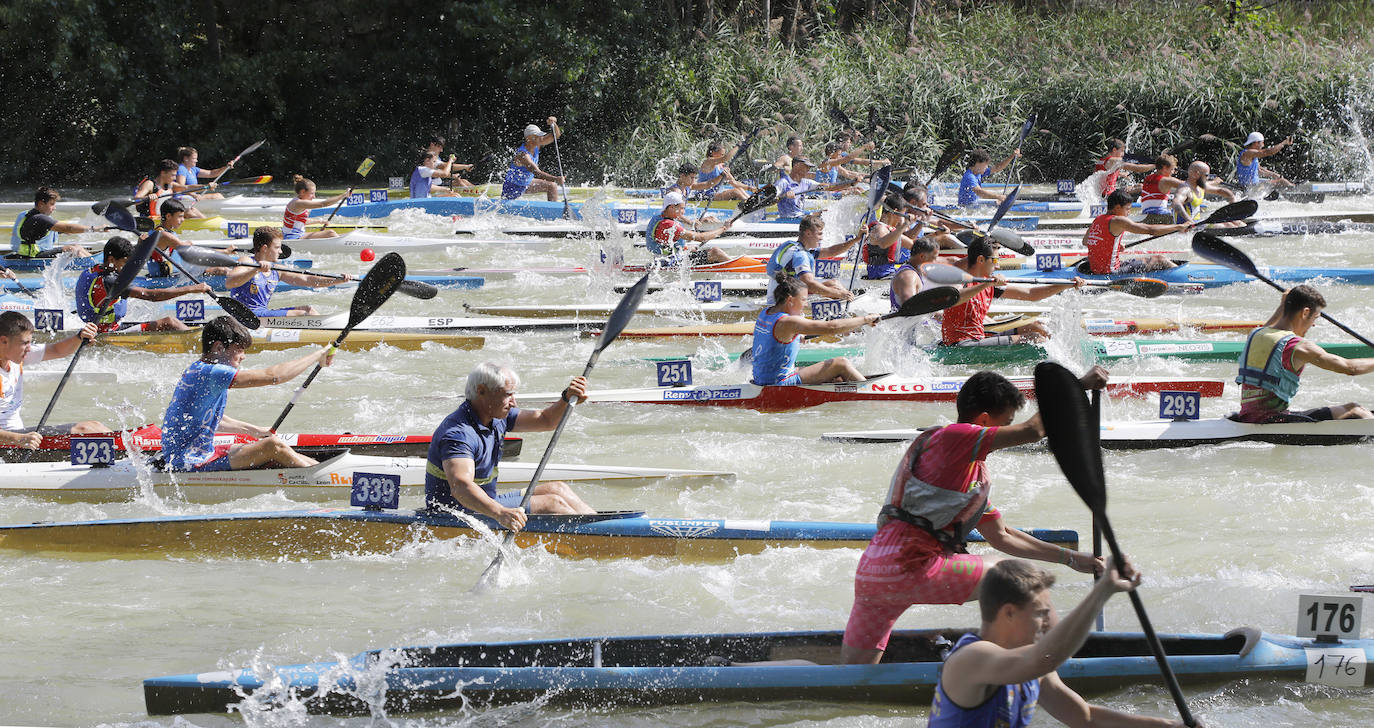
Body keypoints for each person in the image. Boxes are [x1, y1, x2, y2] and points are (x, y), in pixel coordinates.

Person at [840, 368, 1109, 665]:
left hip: (873, 571)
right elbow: (1034, 431)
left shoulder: (960, 477)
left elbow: (1002, 536)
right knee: (1019, 577)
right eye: (1005, 424)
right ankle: (1031, 667)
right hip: (912, 566)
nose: (1006, 432)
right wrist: (1076, 387)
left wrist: (1070, 559)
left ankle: (786, 675)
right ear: (982, 421)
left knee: (853, 676)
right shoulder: (956, 436)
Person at [929, 559, 1187, 728]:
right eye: (1040, 613)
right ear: (1009, 613)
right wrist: (1103, 590)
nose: (1046, 623)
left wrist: (1168, 726)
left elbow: (1086, 718)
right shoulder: (973, 658)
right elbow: (1046, 658)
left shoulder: (1033, 668)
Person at [425, 362, 595, 527]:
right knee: (552, 503)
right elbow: (461, 487)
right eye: (508, 395)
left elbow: (546, 420)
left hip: (488, 504)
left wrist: (565, 399)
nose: (514, 402)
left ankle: (606, 526)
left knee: (559, 489)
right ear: (481, 391)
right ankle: (598, 538)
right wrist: (501, 513)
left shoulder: (497, 417)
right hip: (454, 516)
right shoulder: (458, 434)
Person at [159, 315, 335, 472]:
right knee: (273, 446)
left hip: (196, 453)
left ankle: (321, 469)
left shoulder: (198, 369)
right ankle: (326, 477)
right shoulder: (212, 373)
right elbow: (274, 376)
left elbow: (213, 417)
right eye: (240, 349)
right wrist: (319, 354)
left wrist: (256, 431)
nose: (243, 356)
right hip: (187, 461)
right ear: (219, 348)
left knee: (271, 444)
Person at [1233, 285, 1374, 423]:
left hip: (1248, 417)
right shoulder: (1297, 347)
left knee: (1352, 408)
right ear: (1305, 313)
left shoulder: (1256, 334)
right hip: (1272, 421)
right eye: (1315, 317)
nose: (1313, 324)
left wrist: (1283, 305)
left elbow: (1270, 325)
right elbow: (1350, 368)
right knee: (1357, 411)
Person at [942, 238, 1084, 346]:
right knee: (1035, 339)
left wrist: (1067, 285)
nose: (998, 265)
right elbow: (955, 298)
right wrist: (985, 285)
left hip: (980, 337)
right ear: (980, 259)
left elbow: (1031, 294)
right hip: (960, 344)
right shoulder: (960, 278)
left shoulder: (989, 283)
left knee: (1037, 327)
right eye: (996, 259)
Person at [0, 311, 108, 449]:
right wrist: (18, 439)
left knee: (96, 426)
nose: (29, 349)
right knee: (86, 430)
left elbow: (57, 350)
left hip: (21, 439)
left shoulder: (15, 356)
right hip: (10, 443)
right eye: (25, 343)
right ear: (3, 341)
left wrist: (80, 337)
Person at [752, 273, 881, 385]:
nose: (806, 304)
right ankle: (870, 393)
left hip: (763, 379)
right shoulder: (788, 322)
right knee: (841, 363)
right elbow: (832, 327)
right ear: (790, 300)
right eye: (803, 300)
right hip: (779, 383)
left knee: (836, 378)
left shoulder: (765, 313)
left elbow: (771, 338)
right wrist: (865, 320)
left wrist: (796, 337)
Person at [75, 236, 210, 333]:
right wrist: (191, 288)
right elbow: (151, 296)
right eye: (124, 264)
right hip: (106, 333)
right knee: (170, 322)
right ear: (111, 260)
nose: (127, 269)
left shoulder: (93, 271)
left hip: (100, 328)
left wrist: (142, 247)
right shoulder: (110, 282)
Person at [226, 227, 353, 317]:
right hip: (245, 317)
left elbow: (309, 280)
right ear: (265, 248)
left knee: (308, 309)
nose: (281, 252)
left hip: (262, 314)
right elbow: (230, 283)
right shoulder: (247, 260)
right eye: (277, 247)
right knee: (305, 313)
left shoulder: (277, 269)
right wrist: (255, 270)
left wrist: (337, 280)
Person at [1081, 190, 1188, 275]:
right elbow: (1151, 230)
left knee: (1140, 259)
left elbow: (1085, 241)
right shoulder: (1118, 220)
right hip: (1111, 271)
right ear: (1117, 207)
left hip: (1097, 270)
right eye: (1128, 209)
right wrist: (1179, 226)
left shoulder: (1098, 219)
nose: (1129, 212)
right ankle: (1183, 276)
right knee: (1159, 259)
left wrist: (1111, 244)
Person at [765, 213, 861, 304]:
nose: (821, 238)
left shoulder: (793, 246)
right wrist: (839, 294)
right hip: (782, 302)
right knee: (834, 287)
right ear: (808, 233)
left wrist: (856, 239)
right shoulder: (801, 255)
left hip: (779, 294)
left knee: (833, 283)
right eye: (819, 234)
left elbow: (830, 250)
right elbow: (809, 284)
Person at [645, 192, 733, 265]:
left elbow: (669, 244)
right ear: (671, 207)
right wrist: (723, 228)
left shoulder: (658, 218)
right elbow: (701, 238)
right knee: (715, 252)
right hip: (671, 263)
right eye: (682, 208)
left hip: (665, 260)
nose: (684, 212)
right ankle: (740, 268)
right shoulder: (668, 224)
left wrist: (686, 248)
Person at [10, 186, 98, 259]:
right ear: (41, 204)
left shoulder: (26, 215)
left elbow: (36, 231)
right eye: (52, 204)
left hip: (29, 254)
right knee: (72, 249)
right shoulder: (40, 218)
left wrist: (61, 231)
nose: (54, 207)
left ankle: (95, 263)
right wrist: (96, 229)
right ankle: (95, 267)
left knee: (76, 246)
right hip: (32, 257)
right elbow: (69, 228)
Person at [501, 118, 565, 201]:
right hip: (513, 188)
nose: (540, 138)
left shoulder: (536, 145)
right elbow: (537, 173)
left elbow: (555, 136)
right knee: (553, 182)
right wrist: (556, 179)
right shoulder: (523, 155)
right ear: (529, 138)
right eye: (537, 136)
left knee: (552, 186)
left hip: (527, 184)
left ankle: (554, 209)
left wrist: (554, 124)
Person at [776, 157, 854, 219]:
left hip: (800, 218)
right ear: (797, 166)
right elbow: (768, 200)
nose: (808, 170)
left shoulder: (806, 183)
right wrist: (783, 196)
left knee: (824, 213)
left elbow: (830, 187)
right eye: (806, 167)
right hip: (787, 220)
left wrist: (851, 183)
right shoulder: (783, 183)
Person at [134, 159, 206, 219]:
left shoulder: (170, 184)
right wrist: (147, 197)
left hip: (165, 217)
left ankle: (206, 222)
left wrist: (206, 186)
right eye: (173, 175)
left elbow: (186, 188)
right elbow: (136, 199)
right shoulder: (150, 184)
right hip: (151, 219)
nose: (175, 178)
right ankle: (205, 225)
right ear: (163, 173)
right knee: (188, 212)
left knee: (192, 209)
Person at [282, 175, 347, 240]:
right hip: (292, 237)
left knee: (336, 235)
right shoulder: (299, 203)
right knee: (330, 233)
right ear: (303, 192)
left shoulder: (297, 202)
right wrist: (343, 195)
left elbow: (301, 221)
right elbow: (323, 204)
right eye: (312, 193)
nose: (314, 196)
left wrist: (319, 221)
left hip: (294, 236)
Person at [1174, 161, 1238, 225]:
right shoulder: (1185, 189)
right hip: (1187, 227)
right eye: (1206, 175)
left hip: (1197, 223)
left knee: (1238, 223)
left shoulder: (1199, 187)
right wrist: (1190, 221)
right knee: (1227, 225)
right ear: (1196, 174)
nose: (1208, 178)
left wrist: (1233, 203)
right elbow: (1176, 204)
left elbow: (1221, 191)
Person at [1138, 154, 1188, 224]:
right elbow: (1188, 185)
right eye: (1172, 169)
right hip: (1160, 216)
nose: (1173, 172)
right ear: (1164, 168)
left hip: (1146, 215)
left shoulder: (1148, 178)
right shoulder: (1166, 180)